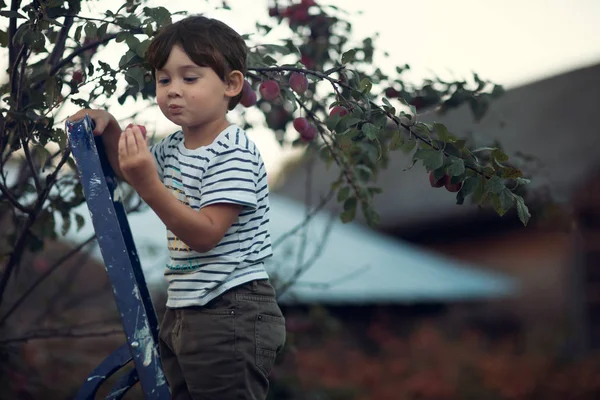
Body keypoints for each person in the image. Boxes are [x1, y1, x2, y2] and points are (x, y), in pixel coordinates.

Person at [68, 15, 286, 400]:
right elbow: (130, 169)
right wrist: (110, 126)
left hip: (230, 309)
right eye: (163, 79)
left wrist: (149, 183)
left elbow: (205, 234)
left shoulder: (232, 151)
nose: (173, 90)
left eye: (190, 78)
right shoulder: (174, 147)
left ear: (231, 85)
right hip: (187, 307)